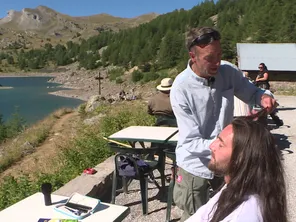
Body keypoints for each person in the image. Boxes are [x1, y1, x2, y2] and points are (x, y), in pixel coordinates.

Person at [170, 27, 277, 221]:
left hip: (226, 159)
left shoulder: (228, 71)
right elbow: (192, 141)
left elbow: (252, 93)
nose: (217, 62)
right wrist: (233, 146)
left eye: (219, 55)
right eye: (209, 58)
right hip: (196, 165)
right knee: (196, 216)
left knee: (229, 213)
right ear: (193, 56)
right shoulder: (181, 88)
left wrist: (264, 97)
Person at [186, 114, 287, 222]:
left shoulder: (243, 215)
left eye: (221, 144)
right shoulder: (235, 187)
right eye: (217, 139)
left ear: (240, 158)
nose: (211, 146)